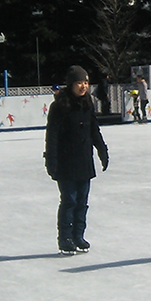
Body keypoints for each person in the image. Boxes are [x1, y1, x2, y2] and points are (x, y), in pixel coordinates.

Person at [44, 66, 109, 254]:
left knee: (82, 201)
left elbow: (94, 130)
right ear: (71, 84)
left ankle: (78, 235)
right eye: (80, 82)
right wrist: (51, 160)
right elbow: (52, 135)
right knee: (69, 200)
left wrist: (102, 151)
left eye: (86, 83)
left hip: (84, 161)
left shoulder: (87, 104)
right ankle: (65, 238)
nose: (83, 86)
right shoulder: (59, 106)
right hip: (66, 162)